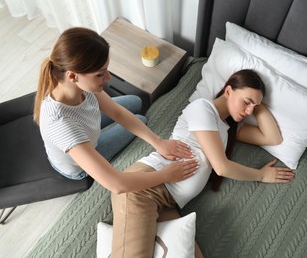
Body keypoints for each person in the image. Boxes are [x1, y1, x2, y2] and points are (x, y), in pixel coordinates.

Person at [110, 69, 296, 258]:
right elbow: (221, 167)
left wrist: (258, 104)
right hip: (145, 189)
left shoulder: (228, 130)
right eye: (246, 102)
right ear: (229, 91)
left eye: (253, 108)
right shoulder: (203, 108)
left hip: (168, 204)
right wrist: (261, 175)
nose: (249, 111)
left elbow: (273, 138)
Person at [33, 27, 199, 193]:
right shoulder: (62, 126)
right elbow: (117, 184)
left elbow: (117, 112)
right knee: (141, 120)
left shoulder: (78, 87)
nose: (108, 78)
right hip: (78, 163)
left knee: (135, 101)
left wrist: (159, 142)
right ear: (72, 76)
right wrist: (166, 175)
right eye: (100, 74)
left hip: (86, 125)